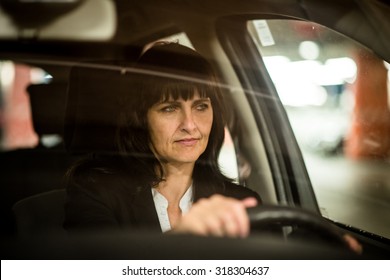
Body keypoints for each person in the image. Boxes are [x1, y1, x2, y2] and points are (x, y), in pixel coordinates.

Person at [63, 42, 261, 238]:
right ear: (140, 118)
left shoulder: (240, 203)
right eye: (170, 108)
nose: (190, 125)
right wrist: (183, 237)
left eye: (201, 107)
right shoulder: (96, 192)